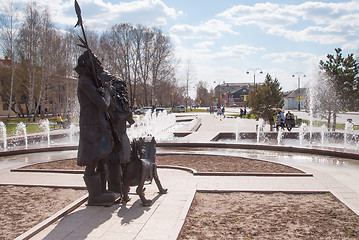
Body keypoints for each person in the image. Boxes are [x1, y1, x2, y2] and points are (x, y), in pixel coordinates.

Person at [74, 50, 116, 206]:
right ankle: (94, 196)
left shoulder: (92, 82)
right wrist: (105, 92)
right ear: (89, 64)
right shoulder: (85, 82)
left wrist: (104, 91)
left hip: (98, 127)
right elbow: (103, 105)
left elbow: (108, 107)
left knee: (101, 160)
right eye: (97, 62)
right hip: (91, 128)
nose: (100, 65)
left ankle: (102, 191)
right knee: (92, 162)